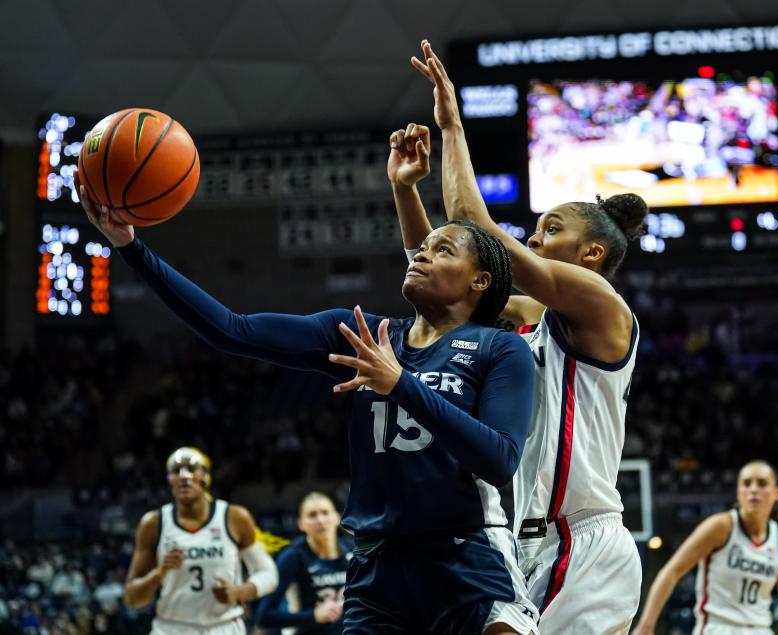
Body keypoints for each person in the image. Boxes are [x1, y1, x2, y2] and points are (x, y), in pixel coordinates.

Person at [80, 185, 539, 635]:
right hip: (378, 567)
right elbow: (231, 330)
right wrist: (131, 247)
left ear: (480, 280)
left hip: (467, 554)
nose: (421, 253)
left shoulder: (499, 348)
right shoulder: (362, 335)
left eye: (442, 250)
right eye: (421, 246)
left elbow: (498, 459)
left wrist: (400, 384)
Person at [393, 39, 646, 633]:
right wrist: (405, 191)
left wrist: (452, 127)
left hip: (583, 541)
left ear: (591, 252)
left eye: (549, 230)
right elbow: (449, 279)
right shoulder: (535, 316)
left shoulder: (605, 308)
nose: (532, 240)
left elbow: (472, 226)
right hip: (528, 545)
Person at [630, 461, 778, 635]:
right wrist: (646, 625)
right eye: (746, 484)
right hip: (718, 628)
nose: (753, 490)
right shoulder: (721, 526)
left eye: (762, 484)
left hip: (760, 629)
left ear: (776, 493)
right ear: (738, 492)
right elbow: (672, 571)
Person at [123, 447, 279, 635]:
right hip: (171, 627)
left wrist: (239, 592)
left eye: (191, 468)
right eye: (176, 470)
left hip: (225, 626)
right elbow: (132, 599)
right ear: (169, 480)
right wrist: (159, 573)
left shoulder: (234, 517)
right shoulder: (153, 523)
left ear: (205, 476)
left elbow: (268, 574)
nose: (183, 476)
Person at [255, 493, 351, 634]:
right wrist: (313, 615)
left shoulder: (352, 550)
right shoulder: (293, 556)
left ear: (337, 517)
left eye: (325, 513)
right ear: (301, 524)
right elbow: (263, 616)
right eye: (312, 515)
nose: (320, 520)